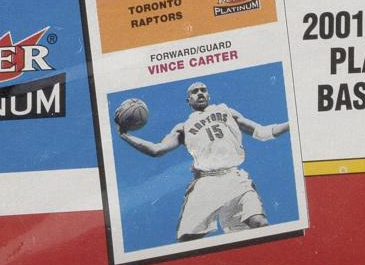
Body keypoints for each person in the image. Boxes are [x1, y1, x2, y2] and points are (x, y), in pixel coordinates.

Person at [118, 81, 289, 241]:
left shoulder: (227, 112)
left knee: (259, 223)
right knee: (187, 240)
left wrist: (292, 123)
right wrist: (125, 136)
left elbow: (263, 132)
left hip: (235, 179)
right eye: (195, 91)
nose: (200, 93)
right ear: (188, 100)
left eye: (203, 90)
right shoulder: (183, 127)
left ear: (208, 95)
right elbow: (157, 150)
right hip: (206, 183)